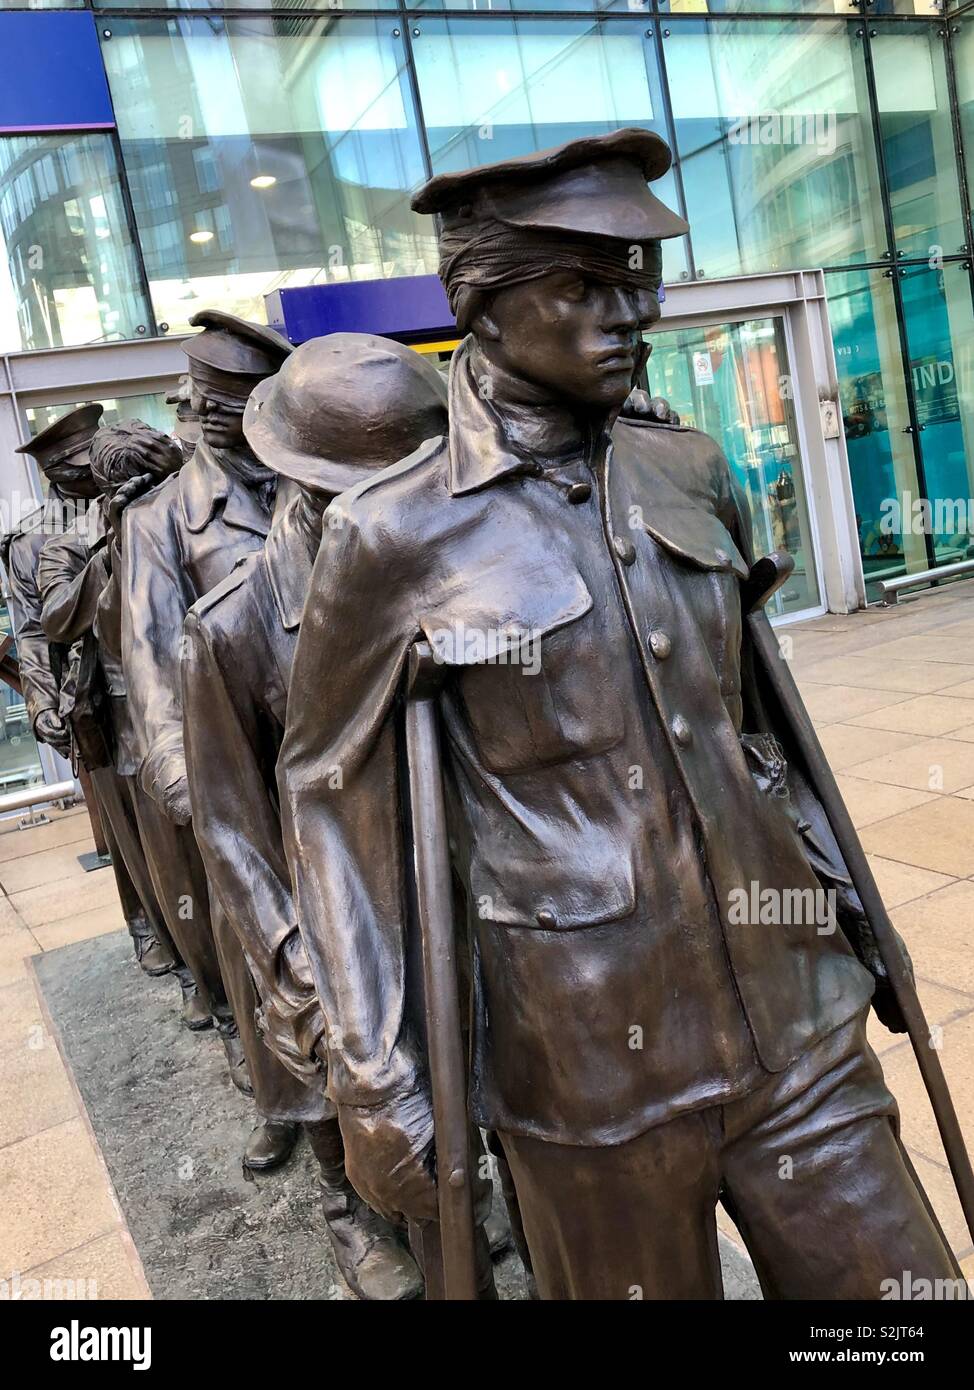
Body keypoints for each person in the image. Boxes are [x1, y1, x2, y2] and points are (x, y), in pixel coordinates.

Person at [277, 129, 962, 1299]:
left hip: (792, 1015)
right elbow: (336, 811)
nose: (623, 314)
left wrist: (847, 911)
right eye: (578, 286)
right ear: (481, 308)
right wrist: (373, 1068)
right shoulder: (392, 535)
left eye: (633, 279)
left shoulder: (686, 468)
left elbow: (757, 734)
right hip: (585, 1067)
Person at [181, 334, 459, 1300]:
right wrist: (310, 988)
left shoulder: (454, 568)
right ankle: (362, 1217)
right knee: (390, 1156)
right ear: (297, 479)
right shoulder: (229, 627)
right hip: (339, 934)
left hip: (475, 916)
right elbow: (230, 834)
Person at [120, 310, 298, 1169]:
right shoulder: (159, 521)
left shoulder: (314, 484)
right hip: (240, 783)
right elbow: (150, 661)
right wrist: (185, 783)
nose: (230, 416)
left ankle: (409, 1167)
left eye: (249, 399)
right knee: (259, 954)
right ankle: (327, 1174)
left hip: (333, 774)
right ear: (196, 404)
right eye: (216, 401)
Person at [4, 405, 173, 976]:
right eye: (69, 468)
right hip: (94, 691)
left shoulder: (147, 495)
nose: (81, 473)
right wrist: (40, 700)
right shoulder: (34, 539)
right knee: (123, 820)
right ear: (53, 473)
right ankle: (147, 929)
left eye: (86, 459)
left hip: (165, 672)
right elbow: (33, 626)